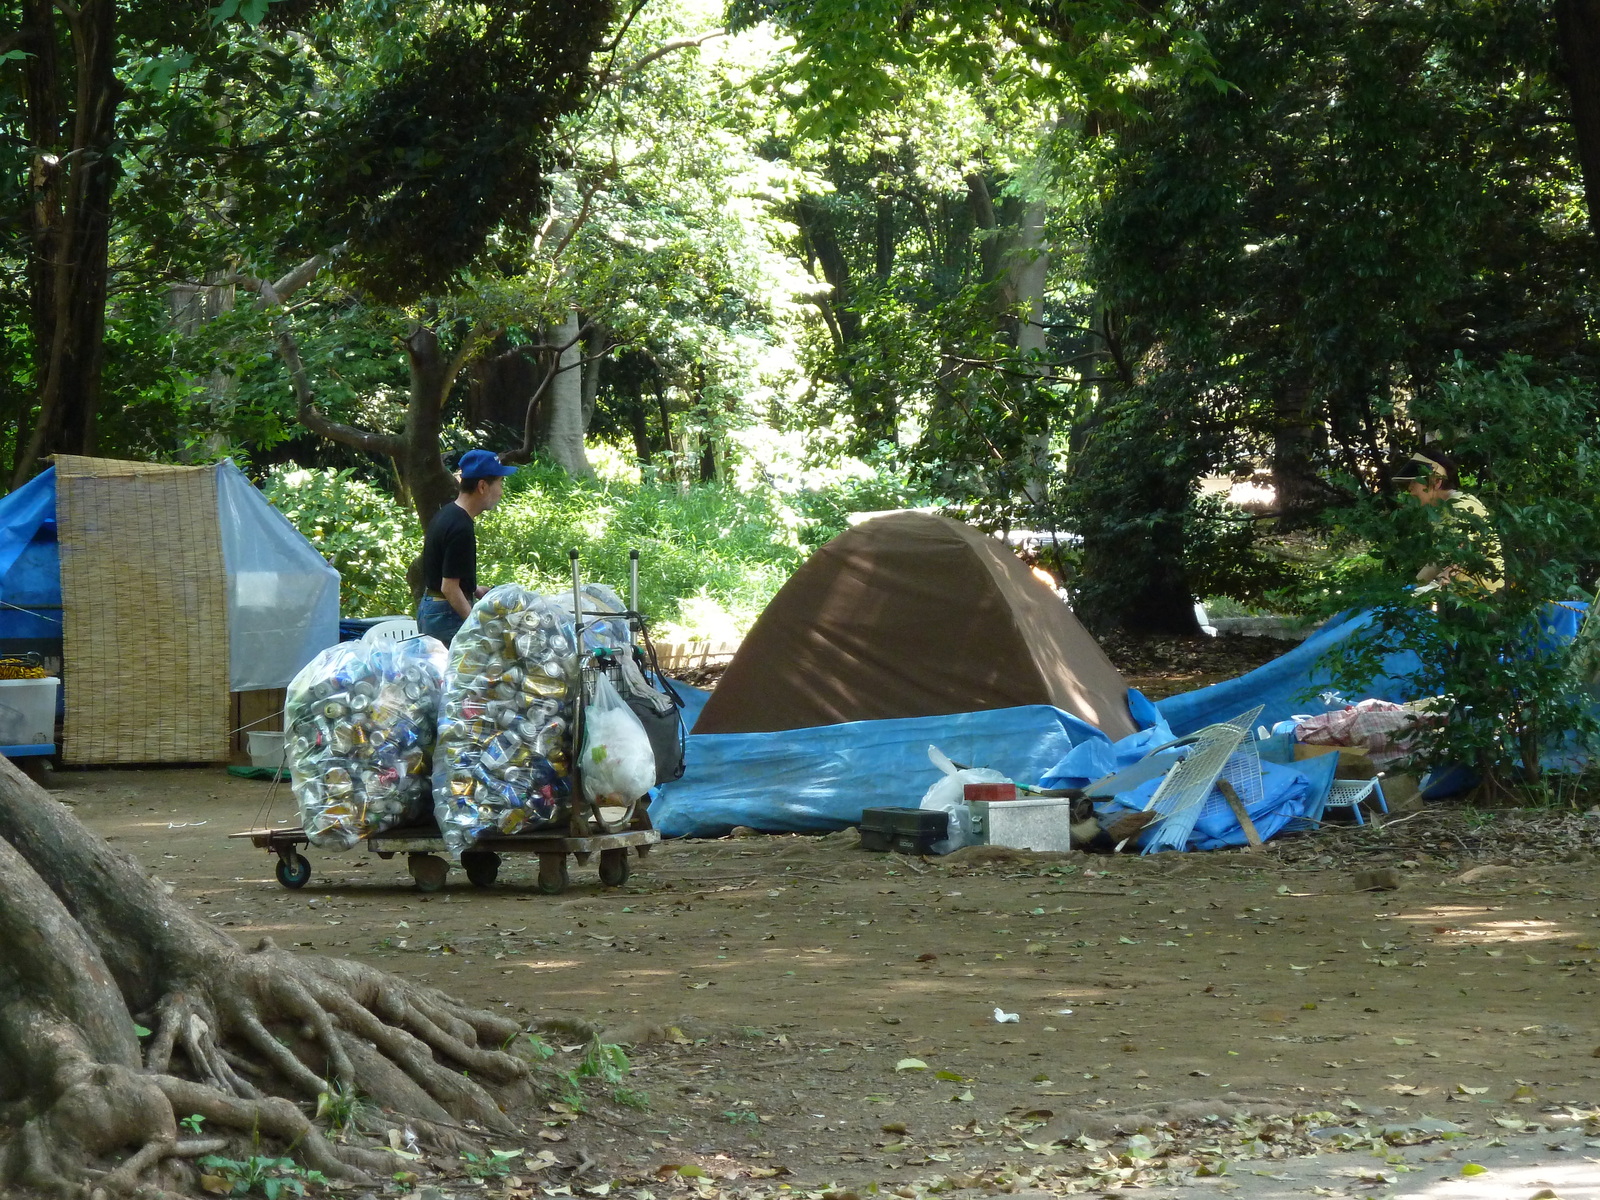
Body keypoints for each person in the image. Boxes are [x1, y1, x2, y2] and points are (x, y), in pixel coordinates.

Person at [417, 450, 517, 644]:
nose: (501, 491)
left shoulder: (447, 513)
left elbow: (444, 574)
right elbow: (449, 588)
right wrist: (475, 625)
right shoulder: (461, 527)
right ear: (482, 486)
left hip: (432, 607)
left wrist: (473, 588)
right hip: (445, 615)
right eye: (499, 483)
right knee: (458, 673)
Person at [1389, 448, 1504, 594]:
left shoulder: (1459, 506)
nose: (1410, 490)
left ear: (1436, 482)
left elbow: (1461, 555)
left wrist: (1429, 589)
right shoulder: (1441, 510)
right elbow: (1440, 559)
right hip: (1464, 597)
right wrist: (1413, 588)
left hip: (1484, 600)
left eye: (1414, 483)